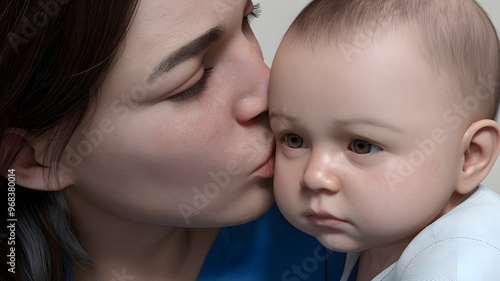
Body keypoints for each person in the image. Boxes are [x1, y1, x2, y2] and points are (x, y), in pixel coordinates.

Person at [0, 1, 347, 280]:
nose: (271, 92)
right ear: (29, 159)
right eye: (192, 82)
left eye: (247, 21)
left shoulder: (345, 227)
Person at [269, 0, 500, 280]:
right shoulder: (381, 232)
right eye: (294, 140)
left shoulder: (461, 263)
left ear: (470, 156)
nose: (314, 176)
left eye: (361, 146)